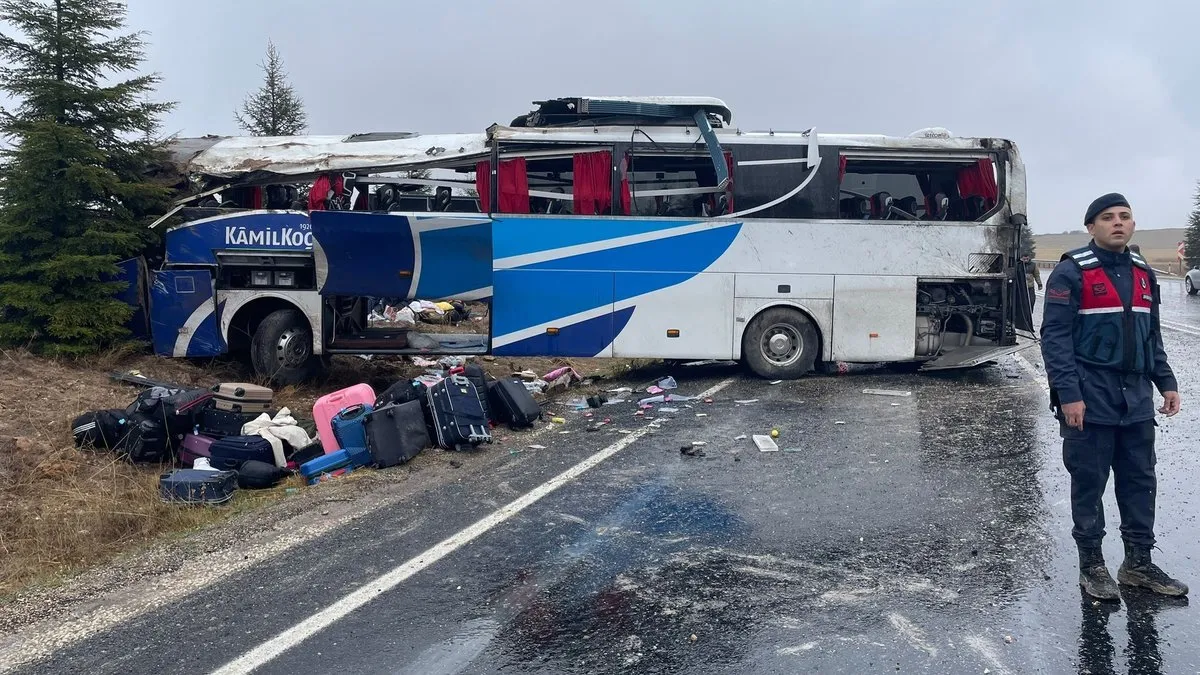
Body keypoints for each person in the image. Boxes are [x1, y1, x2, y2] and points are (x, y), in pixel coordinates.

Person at [1040, 192, 1186, 601]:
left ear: (1133, 224)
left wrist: (1166, 381)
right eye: (1107, 217)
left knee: (1140, 481)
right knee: (1089, 483)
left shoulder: (1143, 272)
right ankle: (1092, 566)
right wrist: (1069, 394)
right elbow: (1055, 339)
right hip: (1090, 398)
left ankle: (1138, 564)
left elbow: (1150, 334)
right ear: (1091, 227)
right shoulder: (1071, 272)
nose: (1117, 222)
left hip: (1135, 399)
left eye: (1124, 216)